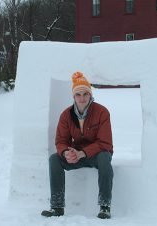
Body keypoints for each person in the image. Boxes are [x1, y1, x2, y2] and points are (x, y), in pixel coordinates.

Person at [41, 72, 114, 219]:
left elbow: (105, 143)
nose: (82, 98)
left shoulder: (102, 112)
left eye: (85, 94)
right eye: (78, 94)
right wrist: (66, 153)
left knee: (105, 158)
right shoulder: (66, 115)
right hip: (77, 154)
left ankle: (105, 206)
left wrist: (84, 153)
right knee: (54, 159)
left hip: (98, 154)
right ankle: (57, 206)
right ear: (73, 97)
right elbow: (61, 140)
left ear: (90, 95)